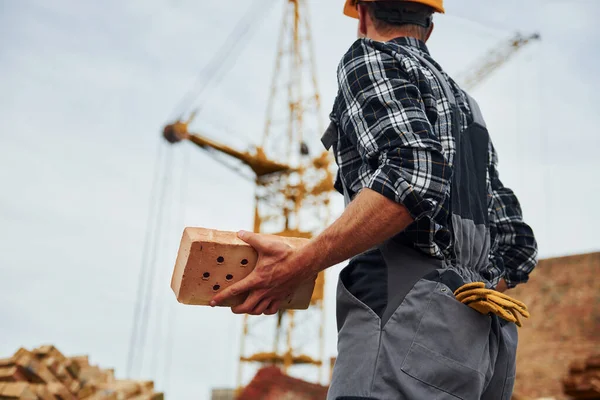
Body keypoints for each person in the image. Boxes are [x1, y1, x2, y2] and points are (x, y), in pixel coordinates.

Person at [212, 0, 538, 398]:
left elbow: (412, 176)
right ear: (429, 26)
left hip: (407, 317)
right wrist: (462, 290)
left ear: (363, 15)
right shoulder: (467, 105)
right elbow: (517, 244)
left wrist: (301, 263)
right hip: (484, 342)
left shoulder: (370, 57)